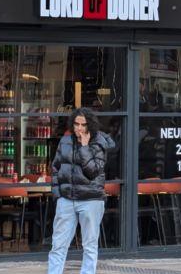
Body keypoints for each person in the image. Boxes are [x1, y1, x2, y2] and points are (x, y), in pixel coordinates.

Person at [48, 108, 115, 274]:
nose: (79, 128)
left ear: (90, 125)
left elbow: (93, 171)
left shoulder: (99, 143)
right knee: (58, 245)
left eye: (83, 125)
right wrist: (58, 196)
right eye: (76, 124)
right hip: (67, 200)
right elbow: (56, 168)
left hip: (91, 200)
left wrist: (85, 147)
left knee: (89, 246)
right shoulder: (65, 141)